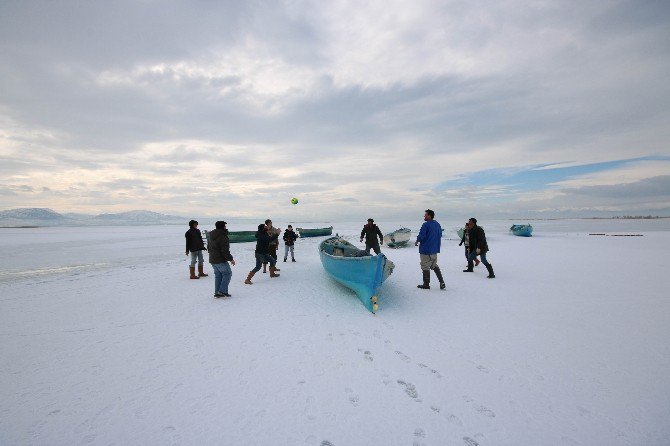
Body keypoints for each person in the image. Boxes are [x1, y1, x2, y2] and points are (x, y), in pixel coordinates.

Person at [414, 209, 446, 290]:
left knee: (425, 266)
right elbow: (440, 234)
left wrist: (417, 240)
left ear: (429, 216)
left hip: (425, 249)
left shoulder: (426, 225)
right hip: (434, 249)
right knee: (434, 265)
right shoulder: (437, 224)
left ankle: (426, 284)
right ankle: (442, 282)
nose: (424, 216)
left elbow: (422, 236)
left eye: (425, 215)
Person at [208, 220, 236, 297]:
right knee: (227, 274)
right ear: (223, 227)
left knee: (218, 276)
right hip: (220, 260)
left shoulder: (211, 235)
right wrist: (231, 259)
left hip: (213, 259)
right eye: (225, 226)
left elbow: (208, 247)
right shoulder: (223, 237)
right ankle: (222, 291)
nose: (226, 227)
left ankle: (218, 292)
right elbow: (225, 251)